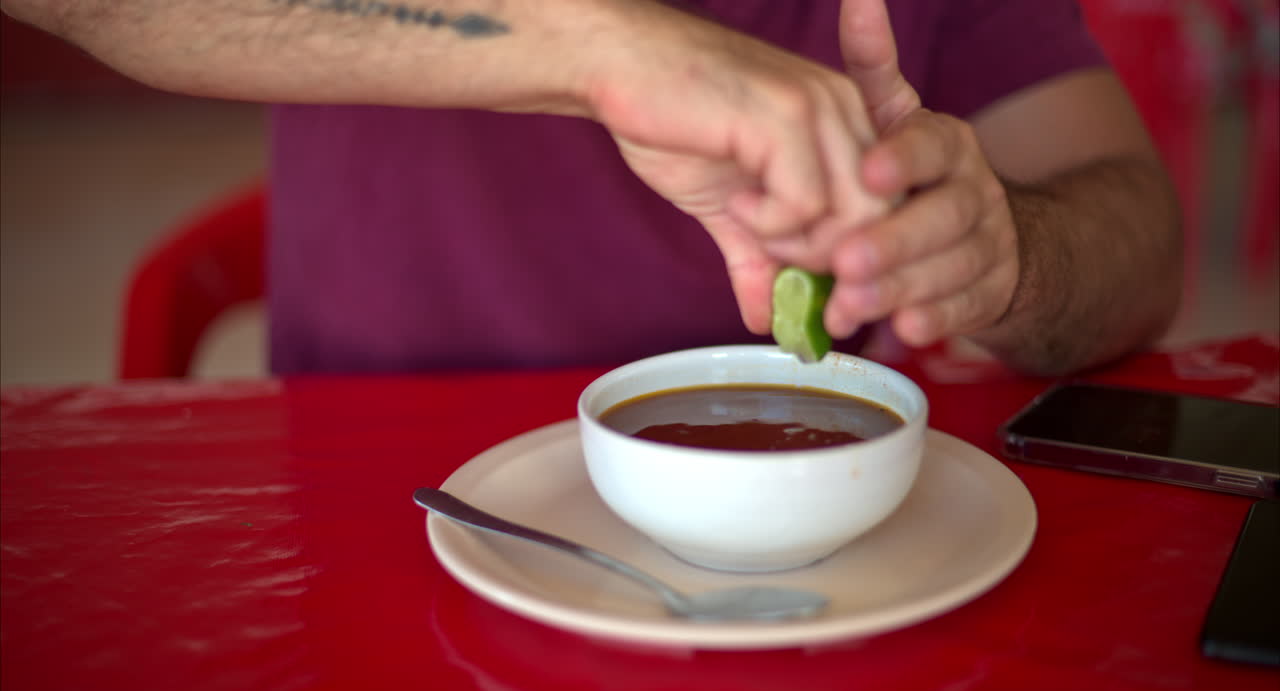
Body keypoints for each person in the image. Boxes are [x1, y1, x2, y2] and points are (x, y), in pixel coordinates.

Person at [4, 0, 1182, 375]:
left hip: (803, 563)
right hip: (386, 516)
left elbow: (1139, 236)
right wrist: (596, 50)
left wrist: (1004, 253)